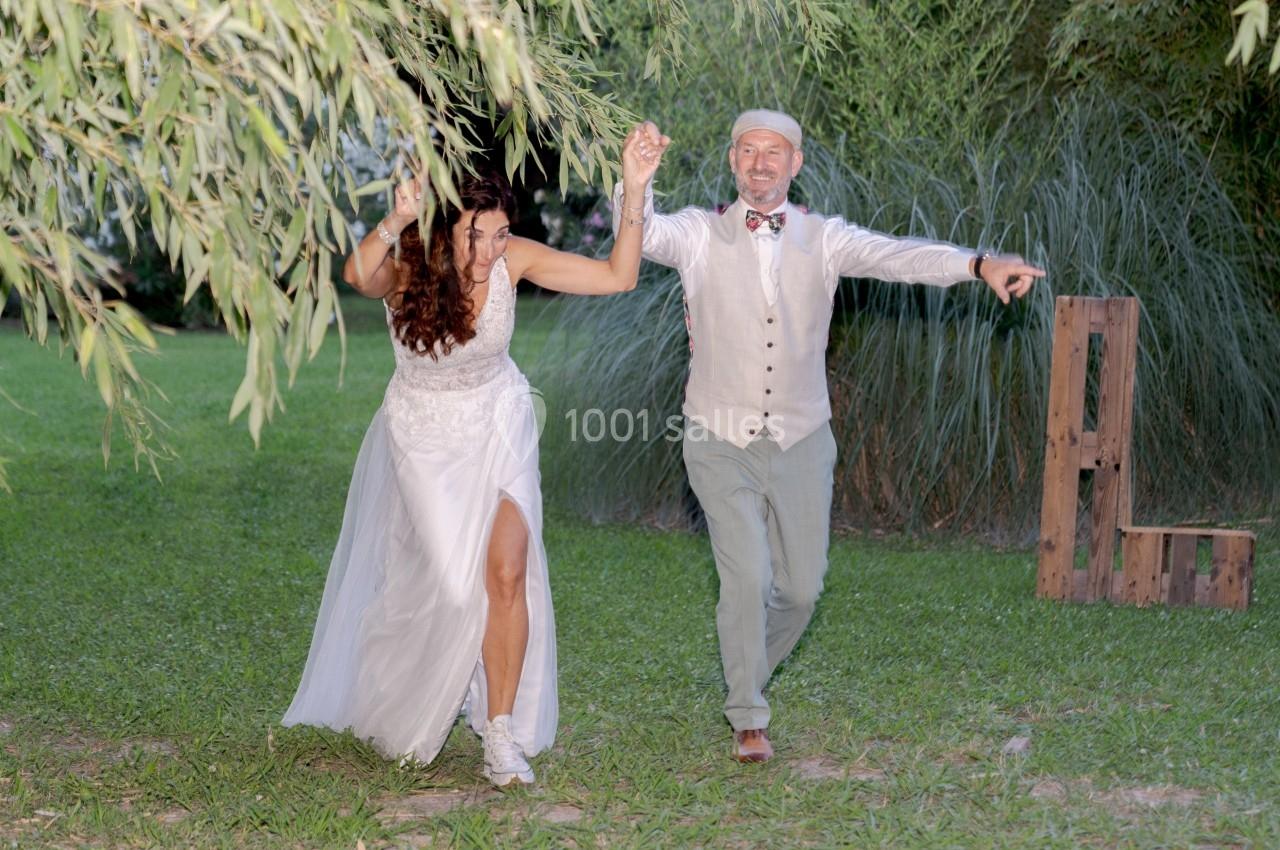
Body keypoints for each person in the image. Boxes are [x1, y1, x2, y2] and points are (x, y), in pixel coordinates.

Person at [615, 109, 1043, 763]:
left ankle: (744, 673)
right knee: (748, 576)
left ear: (796, 165)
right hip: (717, 438)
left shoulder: (827, 238)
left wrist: (977, 264)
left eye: (774, 152)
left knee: (803, 588)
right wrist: (635, 183)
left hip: (802, 438)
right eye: (749, 151)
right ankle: (748, 717)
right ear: (733, 162)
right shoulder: (698, 235)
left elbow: (901, 257)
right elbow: (640, 237)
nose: (761, 162)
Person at [283, 126, 667, 786]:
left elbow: (618, 275)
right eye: (474, 236)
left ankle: (499, 732)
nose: (490, 251)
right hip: (423, 435)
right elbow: (355, 274)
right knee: (454, 591)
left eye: (498, 234)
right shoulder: (408, 262)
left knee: (505, 573)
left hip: (499, 420)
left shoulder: (511, 257)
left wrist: (634, 189)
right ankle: (412, 689)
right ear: (441, 230)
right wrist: (399, 216)